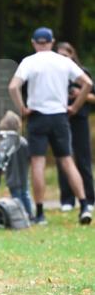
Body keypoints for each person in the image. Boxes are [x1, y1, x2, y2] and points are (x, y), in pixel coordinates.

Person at [8, 27, 92, 226]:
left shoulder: (29, 62)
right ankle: (84, 206)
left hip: (38, 117)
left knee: (38, 163)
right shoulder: (63, 61)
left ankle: (40, 213)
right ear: (52, 42)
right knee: (67, 161)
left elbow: (13, 86)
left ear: (34, 42)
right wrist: (75, 106)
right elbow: (87, 83)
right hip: (60, 116)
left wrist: (22, 108)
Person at [55, 42, 94, 214]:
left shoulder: (82, 73)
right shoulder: (54, 74)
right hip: (61, 119)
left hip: (79, 119)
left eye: (66, 55)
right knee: (63, 158)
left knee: (83, 159)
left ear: (72, 55)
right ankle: (67, 199)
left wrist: (81, 95)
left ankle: (90, 198)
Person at [0, 110, 33, 219]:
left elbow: (0, 160)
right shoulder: (23, 141)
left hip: (12, 176)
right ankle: (30, 214)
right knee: (25, 194)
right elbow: (30, 157)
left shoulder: (4, 144)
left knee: (16, 197)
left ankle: (21, 216)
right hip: (24, 175)